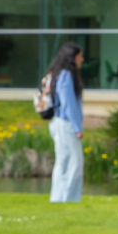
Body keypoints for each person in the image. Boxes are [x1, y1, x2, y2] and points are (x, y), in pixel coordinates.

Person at [45, 42, 85, 204]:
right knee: (74, 163)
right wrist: (77, 127)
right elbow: (69, 103)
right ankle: (68, 199)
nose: (82, 59)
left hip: (59, 123)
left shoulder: (58, 73)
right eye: (80, 56)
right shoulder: (67, 75)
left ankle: (59, 198)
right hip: (65, 124)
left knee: (63, 162)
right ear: (73, 57)